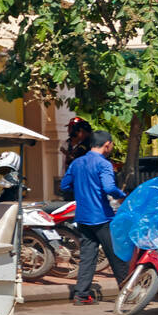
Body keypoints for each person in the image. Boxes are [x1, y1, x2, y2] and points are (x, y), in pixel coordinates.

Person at [61, 130, 129, 303]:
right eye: (111, 144)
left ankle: (81, 295)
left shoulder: (77, 163)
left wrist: (82, 190)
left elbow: (65, 185)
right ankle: (129, 293)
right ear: (107, 144)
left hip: (83, 217)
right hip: (102, 217)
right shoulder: (104, 164)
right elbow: (108, 188)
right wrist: (122, 195)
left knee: (88, 258)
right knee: (117, 256)